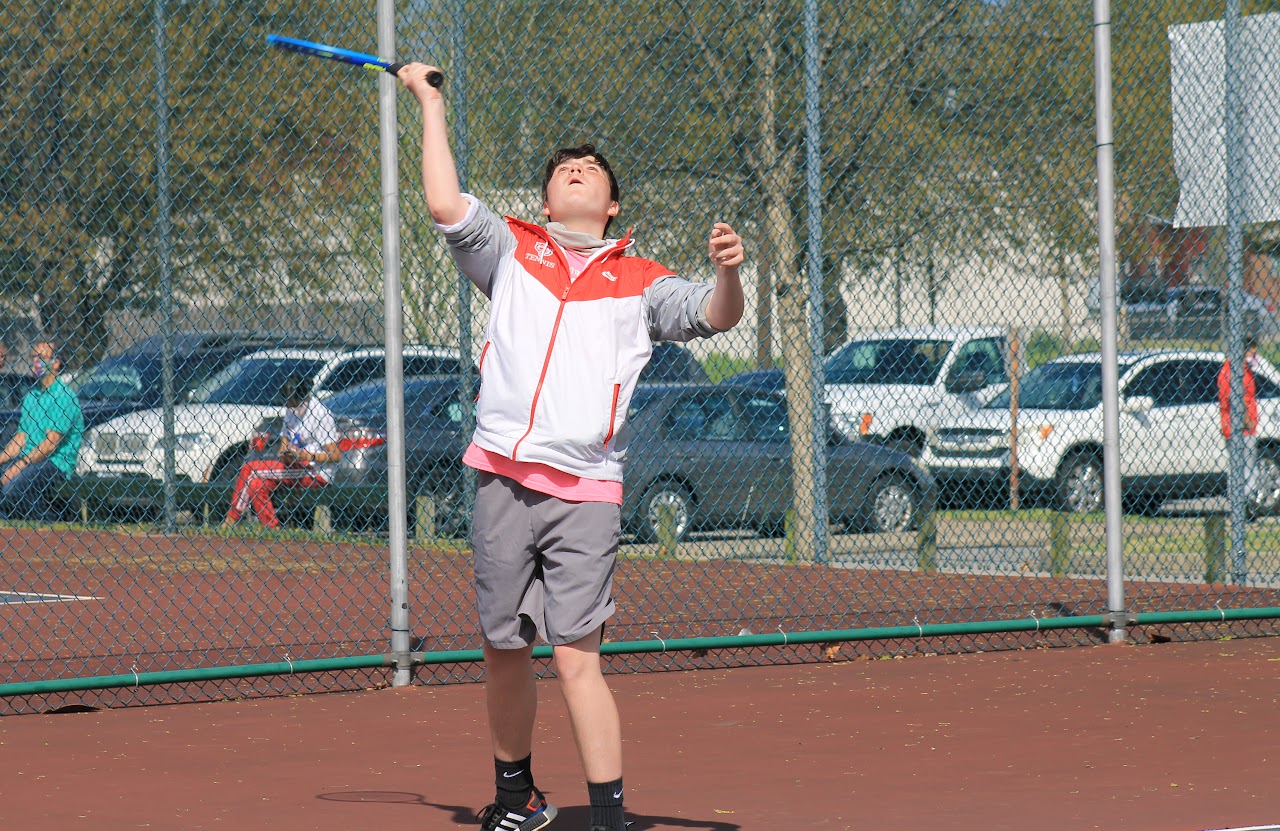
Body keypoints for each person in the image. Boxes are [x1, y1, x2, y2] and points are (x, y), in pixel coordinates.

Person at [398, 63, 745, 831]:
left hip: (585, 490)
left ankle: (610, 817)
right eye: (562, 171)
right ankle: (517, 801)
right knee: (502, 648)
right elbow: (442, 201)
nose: (575, 172)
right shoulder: (510, 252)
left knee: (576, 657)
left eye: (590, 171)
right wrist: (429, 102)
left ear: (612, 203)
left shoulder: (641, 280)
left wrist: (728, 274)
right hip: (498, 476)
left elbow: (715, 317)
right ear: (546, 200)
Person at [222, 376, 341, 529]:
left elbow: (336, 456)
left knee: (249, 469)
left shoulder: (320, 414)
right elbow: (285, 441)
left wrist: (306, 456)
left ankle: (231, 520)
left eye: (293, 401)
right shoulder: (291, 411)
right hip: (294, 467)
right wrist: (285, 453)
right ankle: (273, 528)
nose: (289, 405)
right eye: (287, 401)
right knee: (257, 484)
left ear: (304, 398)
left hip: (315, 472)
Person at [0, 340, 84, 520]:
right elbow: (21, 438)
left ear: (56, 363)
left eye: (42, 358)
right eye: (34, 357)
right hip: (30, 458)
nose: (36, 362)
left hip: (54, 462)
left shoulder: (64, 397)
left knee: (11, 490)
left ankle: (51, 521)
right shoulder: (31, 395)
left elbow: (50, 445)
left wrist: (20, 466)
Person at [1219, 337, 1261, 512]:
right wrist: (1246, 420)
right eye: (1252, 351)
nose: (1255, 355)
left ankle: (1242, 503)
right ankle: (1244, 503)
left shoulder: (1244, 369)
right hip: (1240, 428)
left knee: (1240, 467)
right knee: (1246, 469)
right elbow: (1236, 397)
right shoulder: (1233, 371)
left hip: (1241, 427)